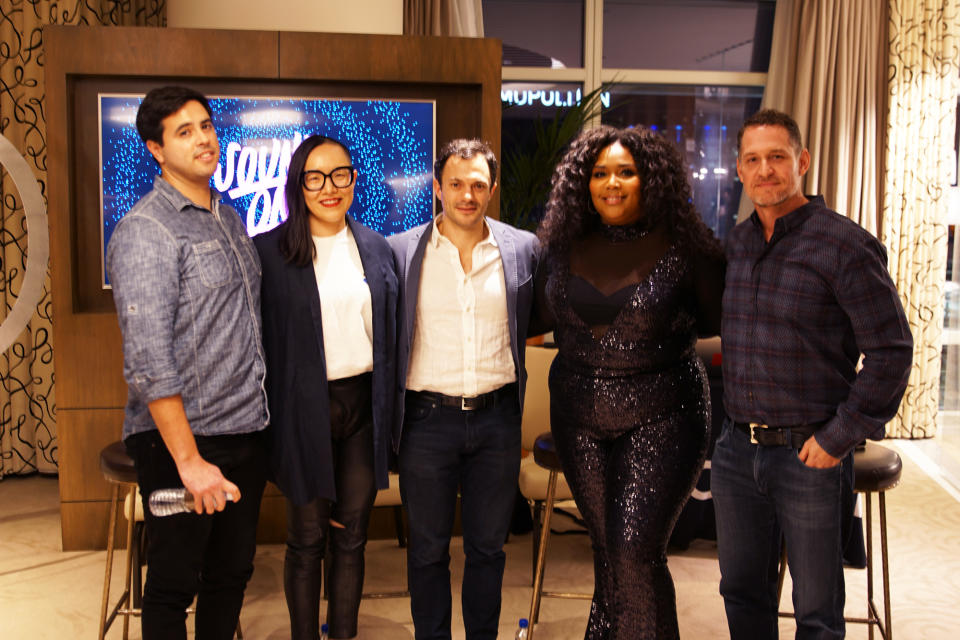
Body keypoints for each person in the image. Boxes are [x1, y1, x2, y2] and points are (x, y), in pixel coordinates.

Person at [712, 108, 913, 640]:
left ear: (802, 161)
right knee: (741, 593)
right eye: (753, 160)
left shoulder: (844, 244)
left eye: (777, 157)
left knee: (818, 614)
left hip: (811, 456)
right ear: (738, 170)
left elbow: (891, 351)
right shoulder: (735, 245)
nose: (765, 170)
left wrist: (839, 436)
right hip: (737, 452)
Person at [536, 125, 724, 639]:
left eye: (625, 172)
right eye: (599, 173)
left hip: (664, 417)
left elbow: (720, 325)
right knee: (608, 554)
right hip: (578, 420)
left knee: (634, 555)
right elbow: (533, 319)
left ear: (650, 179)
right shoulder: (559, 247)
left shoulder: (691, 250)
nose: (611, 183)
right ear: (583, 183)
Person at [106, 85, 269, 639]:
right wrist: (189, 461)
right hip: (185, 443)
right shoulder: (146, 231)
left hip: (246, 432)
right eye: (184, 131)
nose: (203, 139)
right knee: (174, 586)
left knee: (230, 577)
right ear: (156, 148)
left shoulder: (230, 219)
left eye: (205, 125)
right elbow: (148, 360)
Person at [389, 138, 540, 640]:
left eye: (478, 185)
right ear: (437, 188)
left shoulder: (522, 248)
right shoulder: (401, 252)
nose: (467, 195)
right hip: (427, 421)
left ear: (492, 190)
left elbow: (535, 322)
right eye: (455, 184)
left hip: (497, 421)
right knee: (427, 551)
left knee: (488, 551)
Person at [254, 134, 397, 640]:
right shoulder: (270, 252)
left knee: (352, 537)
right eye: (315, 177)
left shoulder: (376, 248)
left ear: (354, 179)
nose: (329, 188)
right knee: (308, 539)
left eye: (339, 175)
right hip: (301, 410)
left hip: (362, 407)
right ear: (299, 185)